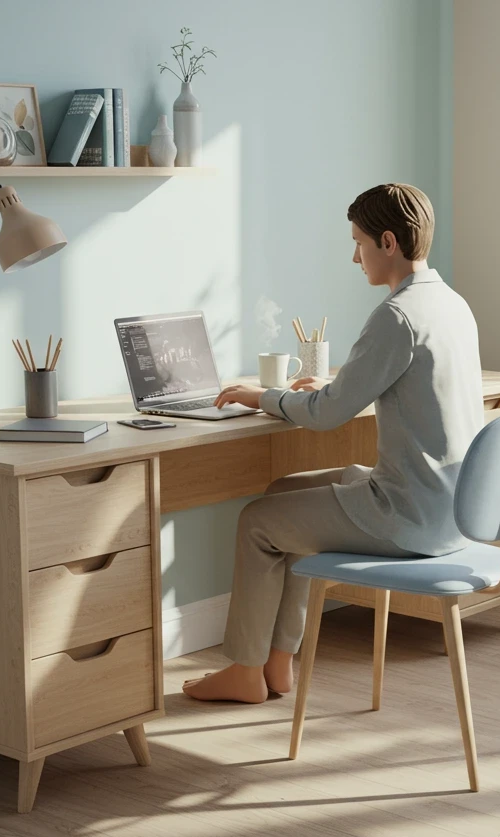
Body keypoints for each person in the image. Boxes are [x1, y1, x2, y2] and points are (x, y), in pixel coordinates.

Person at [183, 183, 484, 703]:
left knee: (257, 522)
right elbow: (387, 388)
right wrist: (336, 389)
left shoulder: (397, 316)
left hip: (408, 515)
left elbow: (325, 418)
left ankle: (244, 670)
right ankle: (277, 664)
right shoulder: (449, 303)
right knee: (281, 493)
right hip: (448, 505)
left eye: (359, 242)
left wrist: (262, 397)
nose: (354, 255)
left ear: (387, 242)